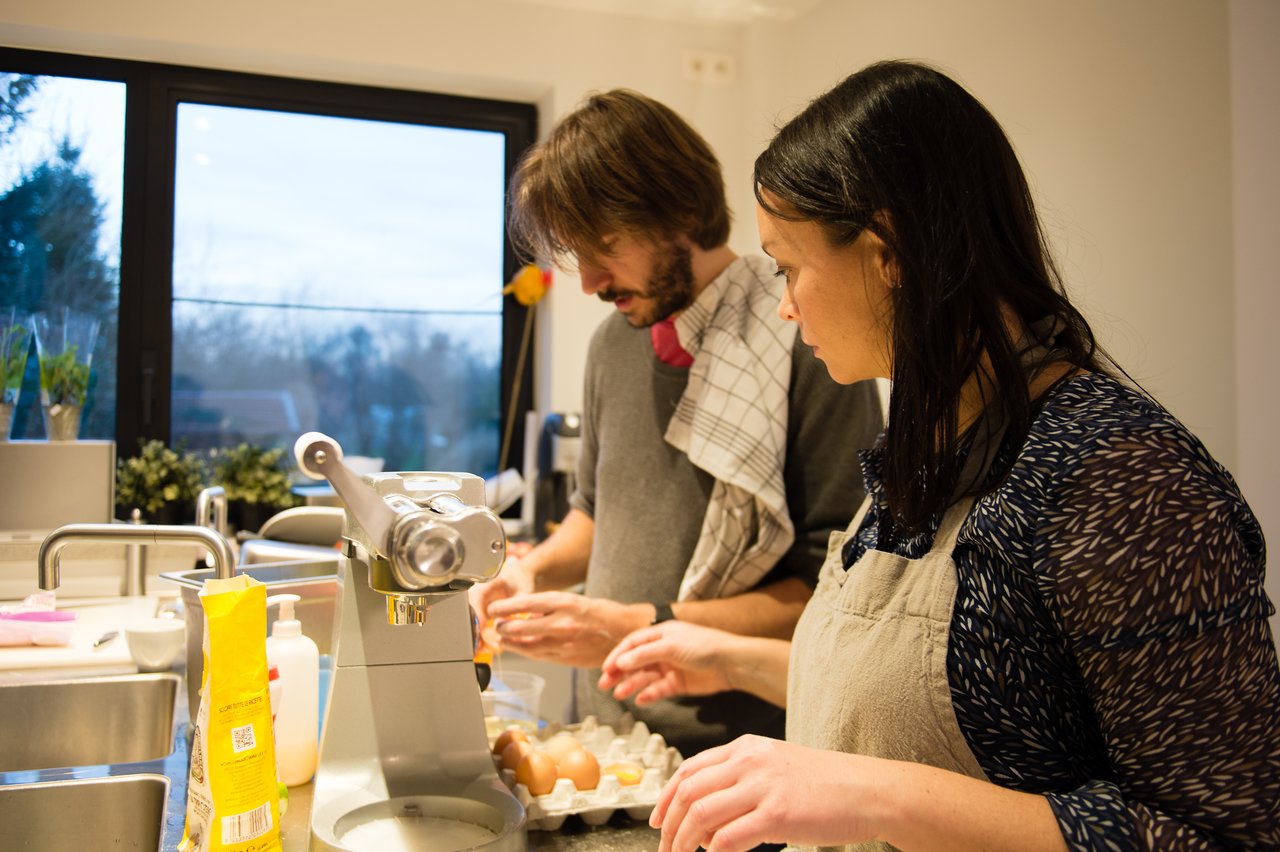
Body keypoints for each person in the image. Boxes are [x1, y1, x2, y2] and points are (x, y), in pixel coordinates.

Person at [598, 60, 1280, 850]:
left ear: (890, 250)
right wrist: (731, 660)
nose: (784, 306)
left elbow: (1226, 833)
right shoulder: (923, 448)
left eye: (789, 267)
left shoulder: (1122, 480)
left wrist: (877, 796)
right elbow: (980, 701)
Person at [470, 89, 884, 756]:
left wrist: (640, 624)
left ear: (683, 211)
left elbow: (829, 590)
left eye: (606, 246)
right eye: (580, 255)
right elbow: (594, 512)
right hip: (608, 734)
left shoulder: (810, 344)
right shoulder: (613, 342)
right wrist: (533, 572)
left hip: (742, 750)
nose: (591, 283)